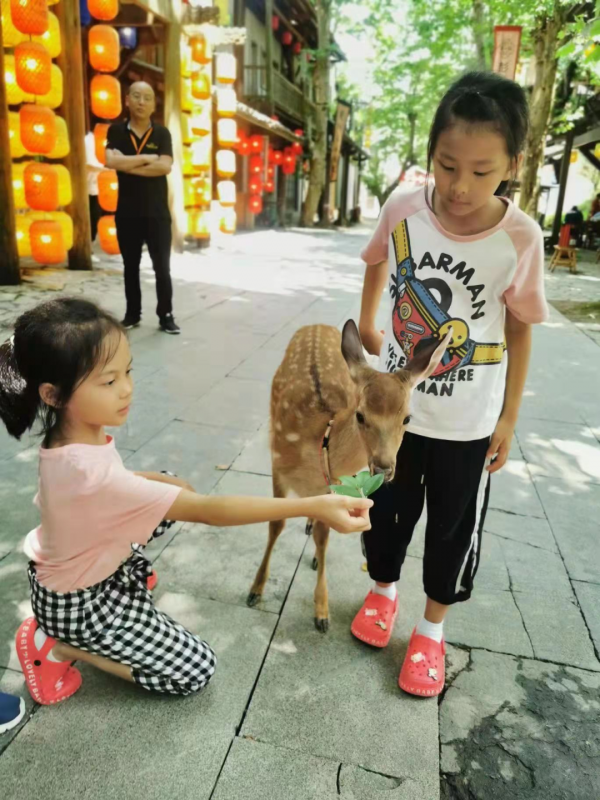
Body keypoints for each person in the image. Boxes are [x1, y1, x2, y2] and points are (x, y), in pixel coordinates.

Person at [0, 298, 373, 706]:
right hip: (80, 606)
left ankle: (109, 594)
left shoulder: (70, 441)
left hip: (63, 569)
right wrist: (314, 505)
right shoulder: (92, 476)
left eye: (128, 372)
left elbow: (106, 488)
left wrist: (163, 485)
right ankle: (57, 648)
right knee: (196, 671)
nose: (126, 388)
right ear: (53, 395)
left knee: (170, 488)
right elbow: (210, 512)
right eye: (108, 382)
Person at [353, 71, 548, 698]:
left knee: (451, 529)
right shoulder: (404, 209)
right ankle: (383, 592)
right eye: (447, 165)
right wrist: (368, 319)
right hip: (396, 416)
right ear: (431, 152)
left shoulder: (519, 237)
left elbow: (519, 329)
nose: (460, 186)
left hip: (468, 423)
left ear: (512, 166)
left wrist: (509, 417)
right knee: (385, 514)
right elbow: (377, 258)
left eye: (482, 171)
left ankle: (431, 630)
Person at [105, 82, 180, 335]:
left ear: (153, 104)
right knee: (130, 266)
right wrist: (147, 158)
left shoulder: (162, 134)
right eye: (136, 96)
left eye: (147, 98)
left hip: (157, 213)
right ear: (127, 100)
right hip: (127, 212)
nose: (141, 102)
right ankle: (132, 314)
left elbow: (165, 166)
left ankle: (166, 315)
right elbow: (110, 161)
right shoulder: (116, 131)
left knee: (162, 267)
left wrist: (127, 164)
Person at [84, 130, 103, 247]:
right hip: (89, 187)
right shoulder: (88, 140)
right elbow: (88, 165)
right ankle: (87, 244)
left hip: (102, 187)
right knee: (92, 216)